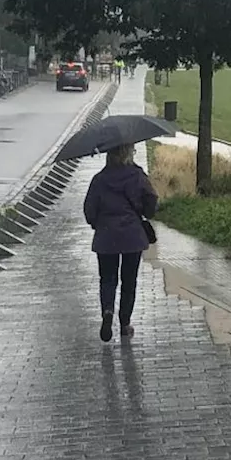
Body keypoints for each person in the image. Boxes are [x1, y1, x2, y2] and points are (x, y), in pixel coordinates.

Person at [82, 143, 158, 342]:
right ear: (127, 153)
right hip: (132, 236)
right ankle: (125, 324)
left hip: (106, 237)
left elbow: (89, 209)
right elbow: (151, 198)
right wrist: (144, 212)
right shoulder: (137, 175)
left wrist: (97, 224)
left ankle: (107, 311)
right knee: (129, 280)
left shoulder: (99, 180)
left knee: (107, 279)